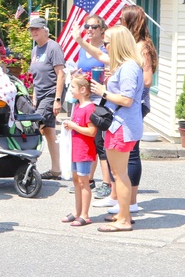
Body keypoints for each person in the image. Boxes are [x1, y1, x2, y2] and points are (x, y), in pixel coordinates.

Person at [90, 26, 143, 233]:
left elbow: (127, 99)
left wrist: (103, 92)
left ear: (118, 43)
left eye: (107, 42)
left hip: (122, 125)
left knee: (119, 174)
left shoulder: (129, 67)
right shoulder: (126, 66)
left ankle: (123, 220)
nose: (105, 46)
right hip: (121, 124)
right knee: (118, 173)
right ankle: (123, 213)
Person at [71, 14, 111, 197]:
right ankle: (89, 179)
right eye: (87, 26)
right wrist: (76, 74)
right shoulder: (82, 50)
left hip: (99, 99)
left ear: (102, 29)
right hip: (83, 99)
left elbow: (111, 71)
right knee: (86, 140)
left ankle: (107, 182)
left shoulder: (105, 50)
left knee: (99, 141)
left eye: (94, 27)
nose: (89, 29)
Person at [27, 15, 66, 180]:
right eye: (31, 29)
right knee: (49, 131)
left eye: (36, 29)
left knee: (37, 127)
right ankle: (56, 169)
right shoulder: (35, 50)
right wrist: (34, 97)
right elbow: (36, 77)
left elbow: (61, 75)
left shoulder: (53, 47)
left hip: (51, 93)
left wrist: (57, 99)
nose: (33, 32)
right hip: (40, 94)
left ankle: (28, 165)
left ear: (45, 30)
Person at [61, 74, 97, 227]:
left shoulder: (89, 108)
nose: (71, 90)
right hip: (75, 149)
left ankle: (85, 214)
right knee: (76, 181)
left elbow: (92, 131)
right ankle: (77, 211)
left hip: (84, 150)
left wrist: (73, 126)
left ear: (83, 89)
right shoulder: (77, 106)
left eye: (73, 87)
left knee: (84, 182)